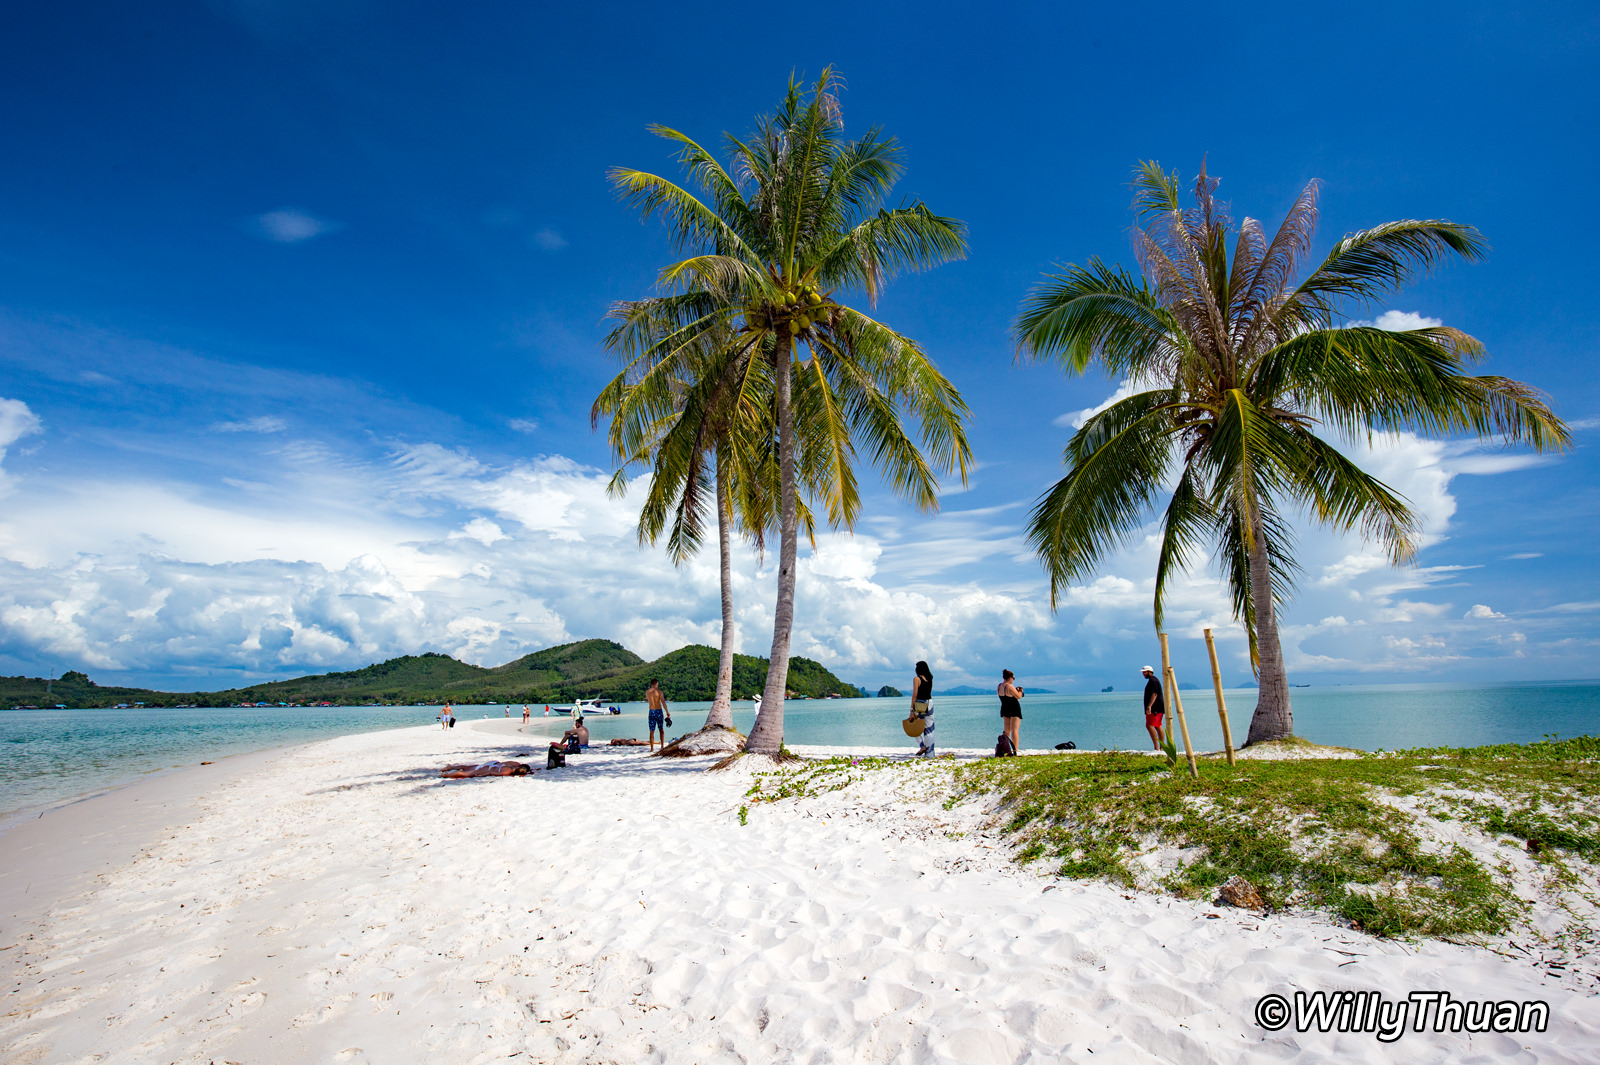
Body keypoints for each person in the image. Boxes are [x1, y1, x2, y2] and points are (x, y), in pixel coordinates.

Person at [908, 661, 935, 758]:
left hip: (920, 703)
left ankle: (922, 746)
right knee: (929, 729)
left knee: (913, 725)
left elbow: (915, 695)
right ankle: (930, 754)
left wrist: (911, 710)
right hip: (930, 703)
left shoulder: (916, 679)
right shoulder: (930, 679)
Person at [997, 669, 1024, 753]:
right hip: (1014, 709)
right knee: (1015, 730)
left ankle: (1004, 749)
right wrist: (1020, 692)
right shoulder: (1010, 686)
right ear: (1010, 678)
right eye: (1013, 678)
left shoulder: (999, 686)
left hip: (1004, 708)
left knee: (1006, 731)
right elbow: (1018, 697)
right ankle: (1015, 750)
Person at [1142, 665, 1166, 751]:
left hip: (1155, 708)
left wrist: (1149, 706)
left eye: (1145, 672)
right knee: (1157, 726)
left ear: (1150, 672)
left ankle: (1157, 747)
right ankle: (1161, 747)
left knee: (1149, 725)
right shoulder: (1153, 680)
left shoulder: (1153, 681)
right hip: (1158, 708)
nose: (1143, 674)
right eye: (1143, 672)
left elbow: (1154, 694)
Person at [645, 679, 671, 751]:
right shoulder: (659, 692)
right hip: (659, 711)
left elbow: (648, 700)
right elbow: (663, 702)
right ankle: (662, 746)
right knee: (661, 729)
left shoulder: (647, 692)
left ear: (651, 684)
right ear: (656, 684)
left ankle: (652, 748)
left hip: (651, 711)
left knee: (652, 731)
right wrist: (667, 712)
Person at [440, 760, 530, 778]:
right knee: (466, 773)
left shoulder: (515, 764)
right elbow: (492, 773)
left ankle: (450, 767)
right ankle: (445, 775)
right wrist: (483, 775)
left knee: (468, 767)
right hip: (490, 768)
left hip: (494, 763)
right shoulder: (507, 772)